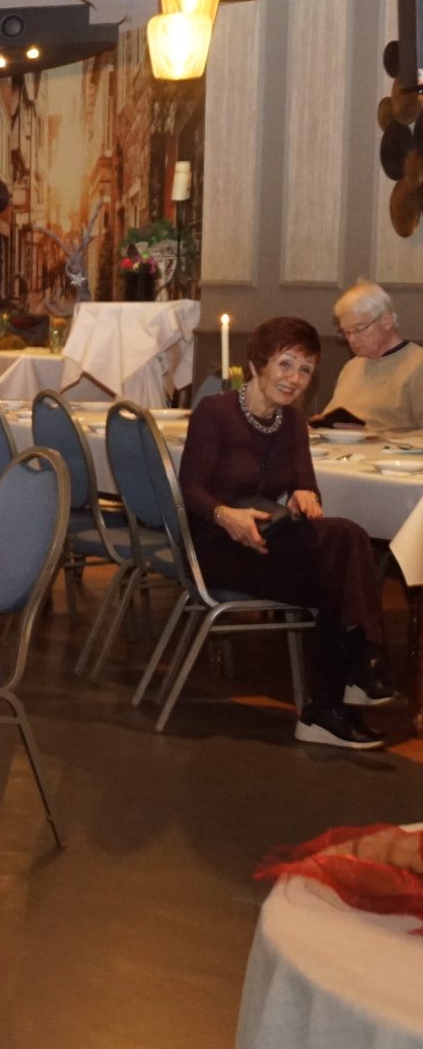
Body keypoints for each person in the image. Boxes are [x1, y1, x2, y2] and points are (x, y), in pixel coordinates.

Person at [180, 315, 395, 749]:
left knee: (344, 546)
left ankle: (333, 699)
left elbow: (306, 485)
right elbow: (190, 489)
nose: (294, 378)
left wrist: (304, 495)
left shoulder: (293, 422)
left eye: (305, 369)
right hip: (216, 547)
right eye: (285, 364)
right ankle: (347, 683)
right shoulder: (215, 413)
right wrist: (225, 515)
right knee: (340, 565)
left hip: (265, 542)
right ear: (257, 364)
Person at [314, 280, 423, 429]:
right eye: (346, 333)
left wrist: (369, 435)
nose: (352, 339)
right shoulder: (352, 367)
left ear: (386, 321)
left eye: (358, 329)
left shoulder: (417, 365)